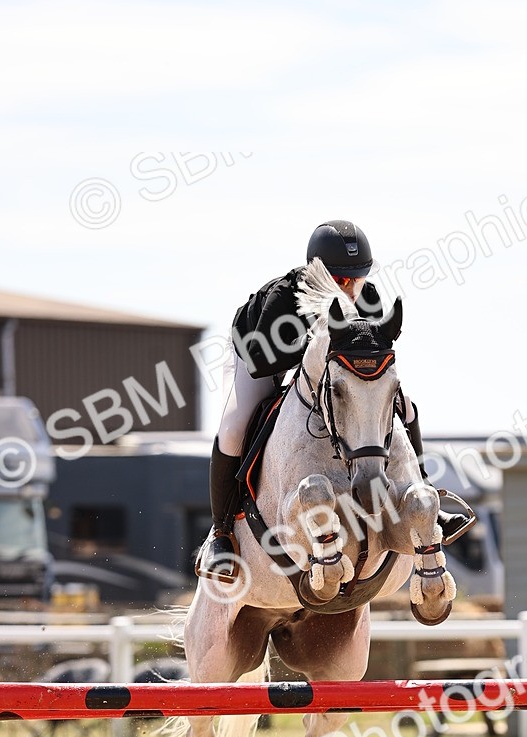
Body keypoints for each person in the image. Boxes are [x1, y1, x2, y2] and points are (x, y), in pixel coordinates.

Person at [197, 219, 475, 581]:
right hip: (258, 356)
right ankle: (221, 535)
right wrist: (316, 351)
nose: (349, 289)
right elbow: (261, 360)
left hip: (333, 376)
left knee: (405, 407)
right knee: (235, 427)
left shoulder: (369, 298)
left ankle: (427, 498)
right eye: (339, 280)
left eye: (355, 278)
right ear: (317, 273)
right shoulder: (284, 299)